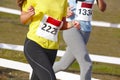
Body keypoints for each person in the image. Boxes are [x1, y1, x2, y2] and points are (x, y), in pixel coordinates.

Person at [17, 0, 80, 80]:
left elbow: (61, 24)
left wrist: (72, 23)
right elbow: (23, 19)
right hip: (34, 44)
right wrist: (29, 14)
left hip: (52, 49)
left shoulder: (63, 1)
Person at [53, 0, 107, 80]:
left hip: (86, 31)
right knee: (86, 64)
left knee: (63, 64)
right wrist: (65, 11)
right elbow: (53, 4)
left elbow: (103, 8)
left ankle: (37, 74)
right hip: (72, 28)